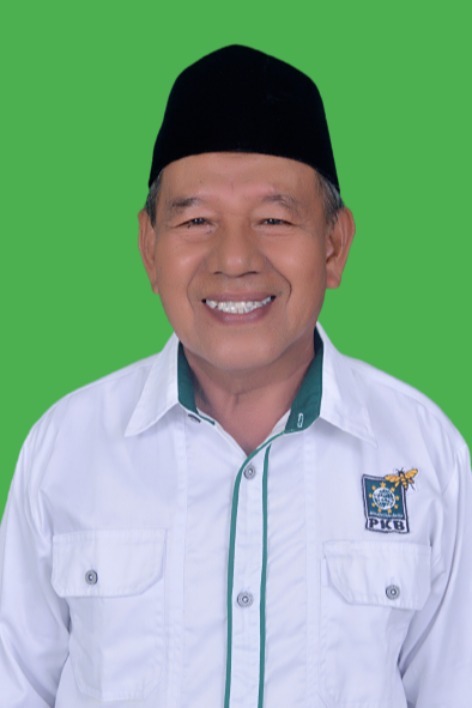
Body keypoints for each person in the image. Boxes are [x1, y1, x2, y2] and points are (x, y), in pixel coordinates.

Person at [0, 44, 470, 708]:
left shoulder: (423, 454)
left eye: (274, 219)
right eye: (196, 221)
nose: (235, 258)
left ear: (334, 245)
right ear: (150, 248)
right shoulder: (68, 448)